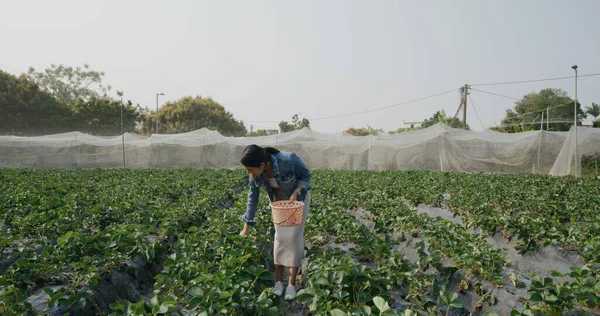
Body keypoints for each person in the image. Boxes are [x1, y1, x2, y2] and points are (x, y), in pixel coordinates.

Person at [239, 144, 311, 301]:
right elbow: (252, 197)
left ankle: (291, 284)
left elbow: (306, 176)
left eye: (251, 169)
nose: (249, 174)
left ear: (263, 164)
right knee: (279, 238)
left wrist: (296, 191)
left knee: (294, 238)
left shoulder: (288, 159)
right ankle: (279, 282)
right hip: (278, 203)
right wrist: (246, 227)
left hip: (298, 200)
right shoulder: (256, 175)